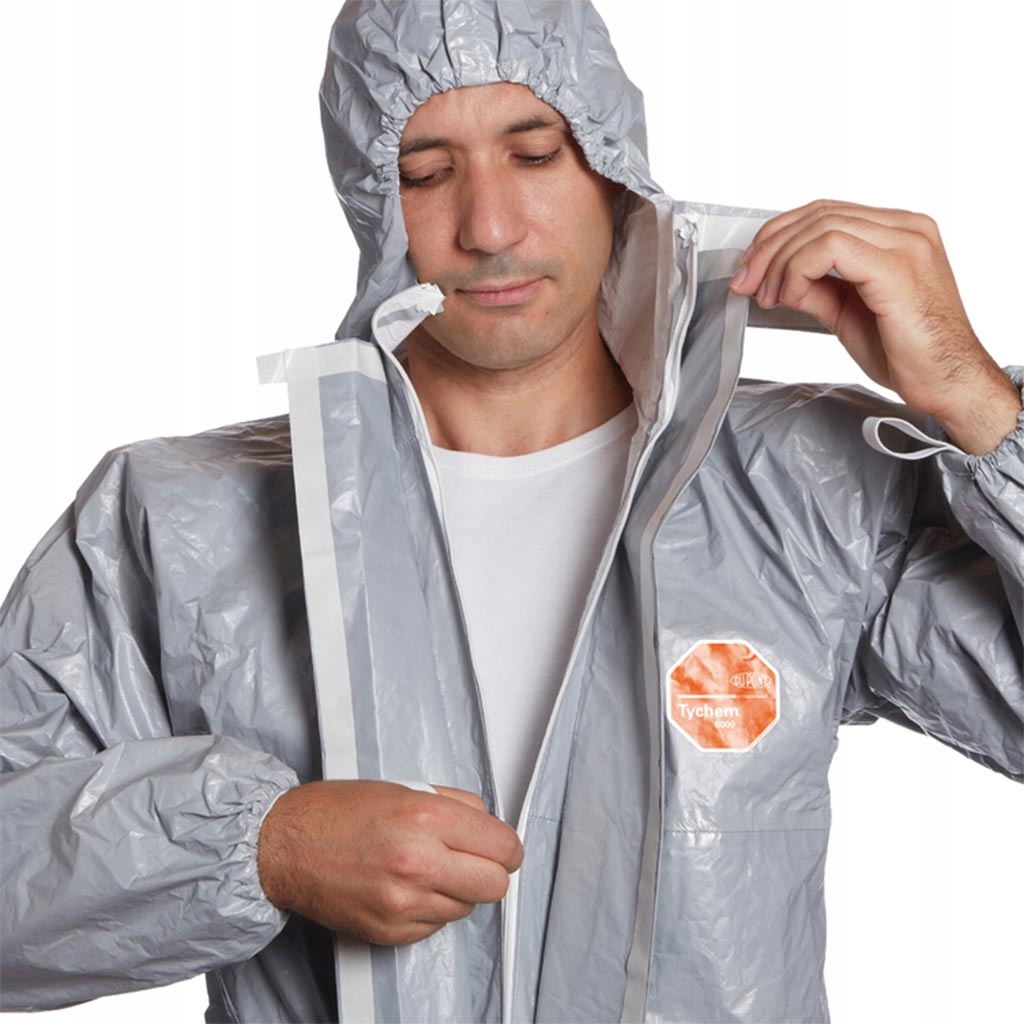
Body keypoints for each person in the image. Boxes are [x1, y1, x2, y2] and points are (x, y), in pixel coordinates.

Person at [1, 2, 1020, 1023]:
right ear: (369, 198)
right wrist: (263, 846)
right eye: (424, 173)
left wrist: (977, 405)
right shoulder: (178, 518)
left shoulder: (808, 487)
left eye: (534, 155)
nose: (488, 227)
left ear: (617, 176)